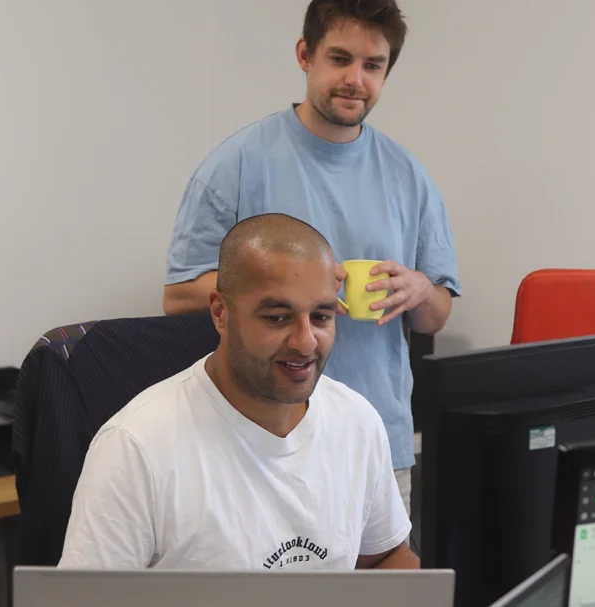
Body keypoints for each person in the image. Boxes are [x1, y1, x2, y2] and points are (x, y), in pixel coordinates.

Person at [161, 0, 461, 518]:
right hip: (258, 440)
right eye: (340, 59)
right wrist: (288, 292)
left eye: (373, 66)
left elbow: (438, 312)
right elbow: (178, 296)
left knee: (381, 593)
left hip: (377, 444)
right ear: (305, 55)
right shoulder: (236, 164)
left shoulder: (410, 177)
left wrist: (418, 290)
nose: (355, 80)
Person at [59, 214, 417, 570]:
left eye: (321, 317)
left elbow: (384, 557)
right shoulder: (135, 447)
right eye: (278, 317)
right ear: (220, 313)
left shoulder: (357, 422)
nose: (306, 341)